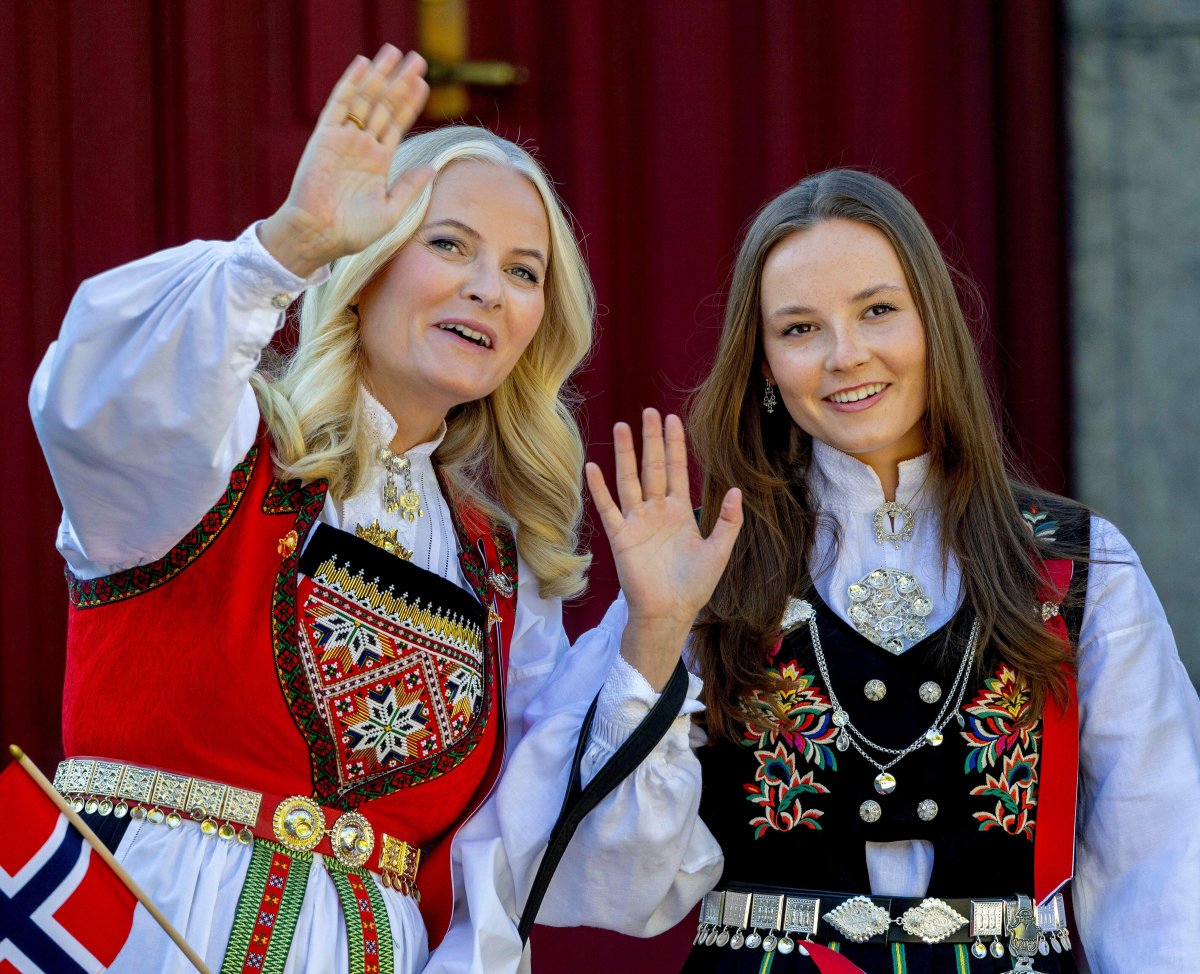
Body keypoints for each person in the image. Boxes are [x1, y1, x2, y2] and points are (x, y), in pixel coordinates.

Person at [29, 46, 737, 973]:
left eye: (525, 273)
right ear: (363, 264)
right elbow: (95, 408)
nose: (488, 287)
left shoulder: (496, 569)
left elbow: (546, 863)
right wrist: (284, 244)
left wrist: (653, 630)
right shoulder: (220, 451)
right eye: (448, 244)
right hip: (145, 941)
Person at [574, 168, 1200, 973]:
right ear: (764, 365)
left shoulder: (1078, 564)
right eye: (800, 329)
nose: (846, 355)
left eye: (877, 311)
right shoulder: (703, 568)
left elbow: (1165, 854)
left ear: (933, 323)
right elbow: (618, 887)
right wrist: (654, 634)